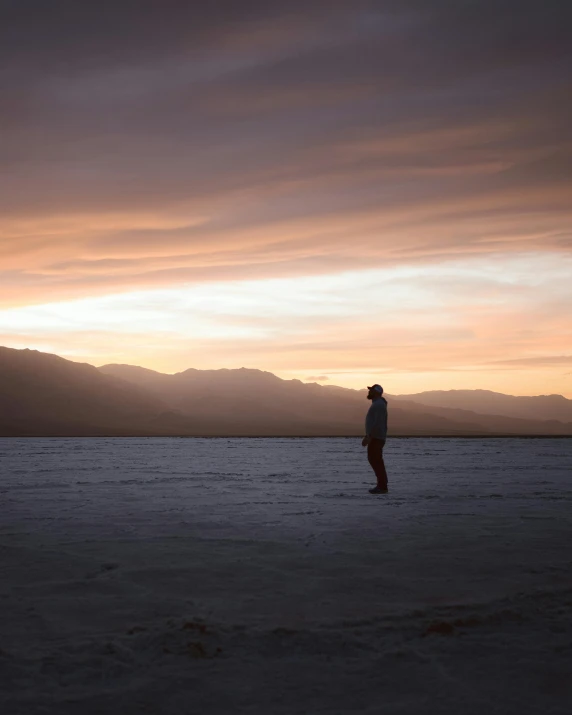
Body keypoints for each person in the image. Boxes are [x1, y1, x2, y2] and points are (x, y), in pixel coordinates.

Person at [362, 384, 389, 494]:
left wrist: (369, 437)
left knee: (376, 460)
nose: (369, 392)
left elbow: (376, 423)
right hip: (376, 437)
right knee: (376, 460)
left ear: (376, 392)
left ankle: (382, 486)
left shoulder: (378, 405)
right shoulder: (378, 404)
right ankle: (382, 484)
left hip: (376, 437)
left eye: (371, 390)